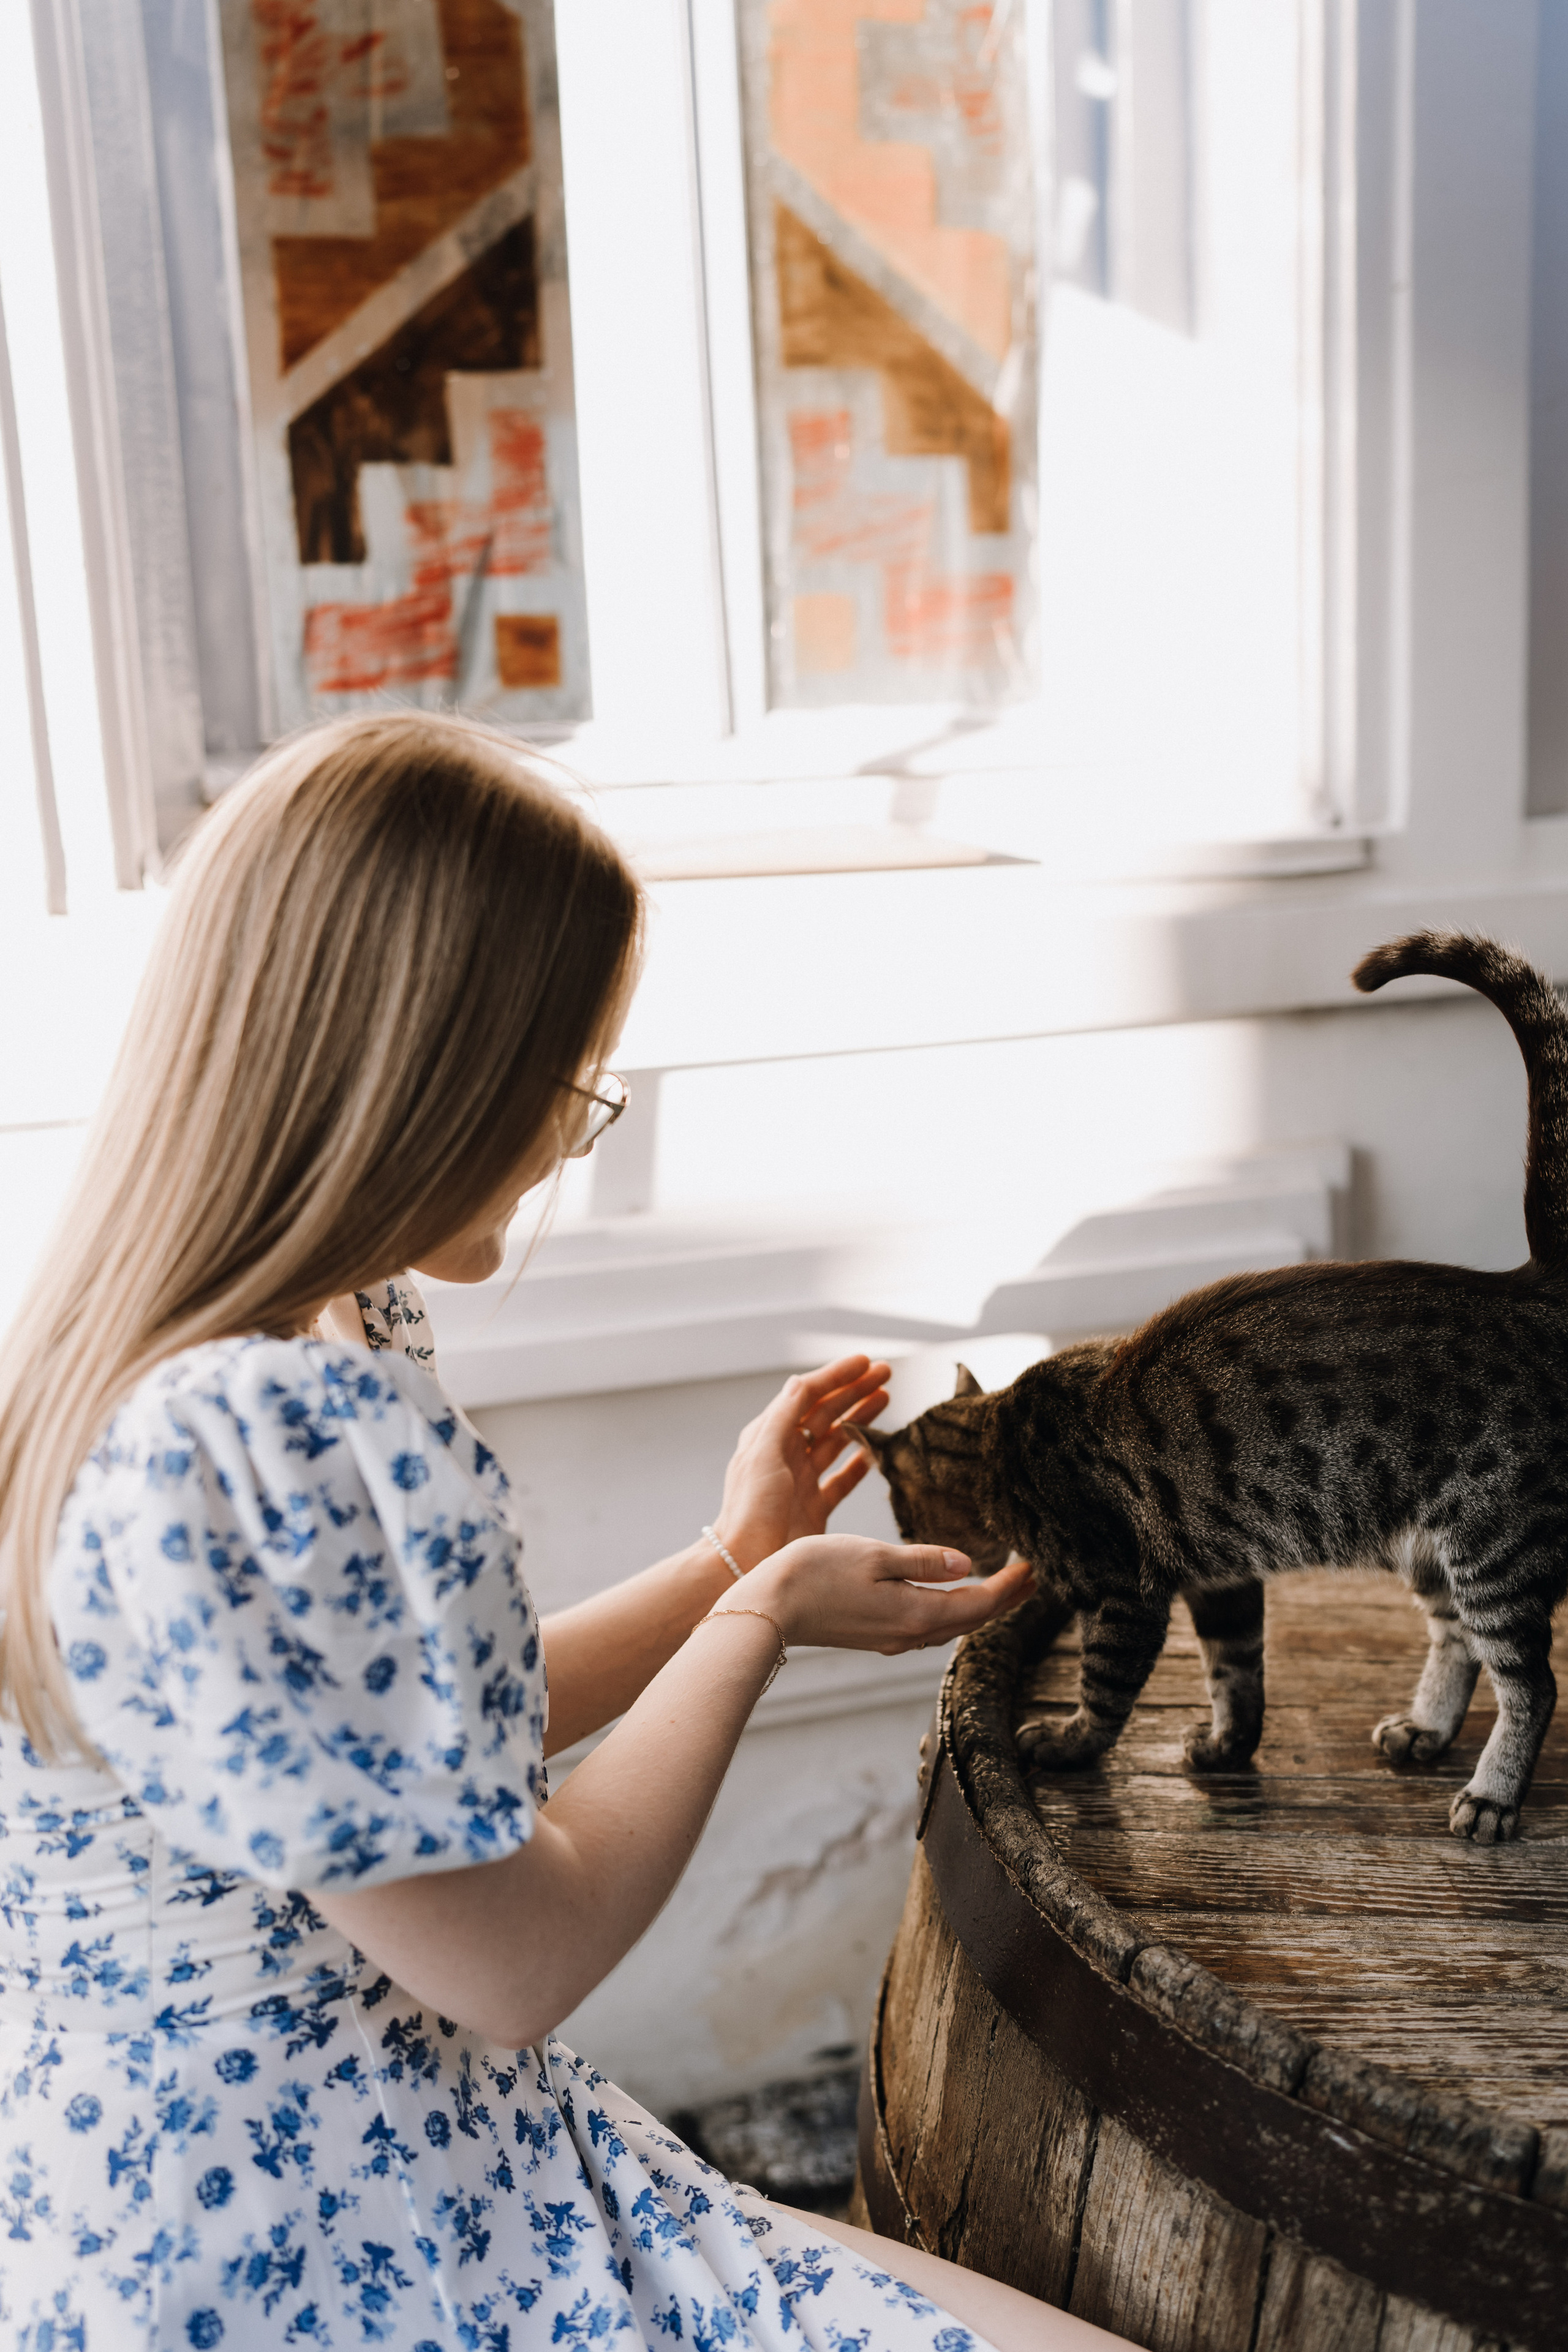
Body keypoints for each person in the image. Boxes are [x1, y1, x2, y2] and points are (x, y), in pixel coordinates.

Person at [0, 713, 1129, 2351]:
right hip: (309, 2241)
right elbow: (516, 1955)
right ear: (426, 1076)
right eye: (567, 1086)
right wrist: (761, 1627)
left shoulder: (255, 1342)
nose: (565, 1139)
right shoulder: (245, 1449)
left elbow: (411, 1757)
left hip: (302, 2158)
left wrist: (724, 1564)